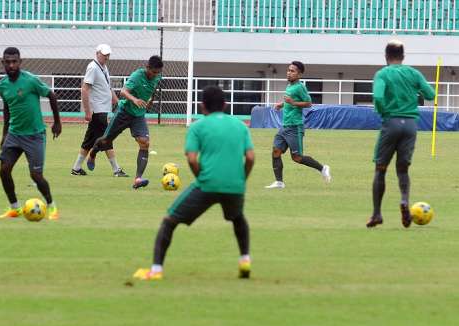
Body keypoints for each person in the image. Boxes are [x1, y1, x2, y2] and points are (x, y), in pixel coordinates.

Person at [134, 85, 255, 280]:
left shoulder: (198, 127)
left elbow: (191, 158)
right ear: (224, 105)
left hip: (206, 183)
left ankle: (156, 270)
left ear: (202, 106)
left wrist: (201, 177)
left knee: (169, 221)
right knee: (238, 218)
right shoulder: (241, 126)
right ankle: (245, 260)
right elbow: (250, 157)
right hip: (235, 185)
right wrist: (242, 179)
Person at [366, 40, 435, 228]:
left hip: (391, 122)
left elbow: (378, 97)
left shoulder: (382, 74)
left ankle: (377, 214)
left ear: (386, 56)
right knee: (403, 169)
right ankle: (404, 200)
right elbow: (430, 94)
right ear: (403, 57)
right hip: (411, 124)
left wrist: (383, 112)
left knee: (380, 169)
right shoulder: (413, 73)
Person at [0, 47, 62, 220]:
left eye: (14, 61)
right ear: (2, 63)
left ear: (20, 62)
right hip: (14, 133)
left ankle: (51, 206)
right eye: (8, 62)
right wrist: (4, 134)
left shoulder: (31, 80)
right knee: (4, 170)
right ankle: (15, 208)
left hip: (34, 135)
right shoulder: (2, 85)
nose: (11, 65)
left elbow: (52, 96)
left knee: (35, 175)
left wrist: (57, 122)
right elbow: (7, 109)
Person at [86, 55, 163, 189]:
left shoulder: (157, 77)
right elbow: (123, 92)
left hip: (138, 115)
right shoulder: (137, 76)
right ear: (147, 68)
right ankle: (93, 152)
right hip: (124, 112)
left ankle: (138, 179)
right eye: (153, 72)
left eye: (158, 73)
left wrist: (151, 100)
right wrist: (134, 100)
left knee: (145, 143)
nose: (155, 75)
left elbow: (153, 89)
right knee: (106, 141)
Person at [265, 61, 331, 189]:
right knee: (276, 151)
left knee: (297, 158)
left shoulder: (300, 87)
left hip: (295, 127)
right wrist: (282, 104)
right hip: (285, 126)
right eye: (288, 70)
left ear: (299, 74)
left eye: (292, 71)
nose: (289, 73)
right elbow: (289, 100)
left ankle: (323, 168)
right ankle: (279, 182)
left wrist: (293, 102)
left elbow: (308, 103)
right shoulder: (289, 86)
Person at [71, 44, 127, 177]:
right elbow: (85, 89)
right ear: (97, 53)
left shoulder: (103, 67)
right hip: (98, 110)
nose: (106, 57)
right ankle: (116, 169)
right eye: (104, 54)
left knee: (90, 139)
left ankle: (76, 168)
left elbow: (108, 87)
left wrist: (117, 102)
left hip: (102, 109)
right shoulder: (93, 67)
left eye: (108, 54)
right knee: (106, 138)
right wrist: (87, 111)